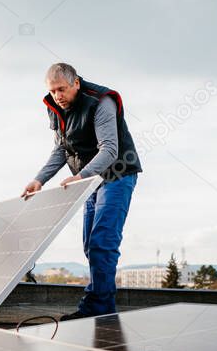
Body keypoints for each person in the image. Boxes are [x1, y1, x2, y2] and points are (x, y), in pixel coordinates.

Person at [22, 63, 142, 320]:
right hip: (88, 180)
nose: (58, 96)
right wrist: (39, 180)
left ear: (76, 83)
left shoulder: (101, 102)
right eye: (53, 91)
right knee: (90, 243)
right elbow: (62, 149)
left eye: (62, 89)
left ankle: (96, 309)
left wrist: (80, 176)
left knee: (103, 241)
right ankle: (102, 309)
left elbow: (109, 149)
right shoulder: (56, 108)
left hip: (117, 174)